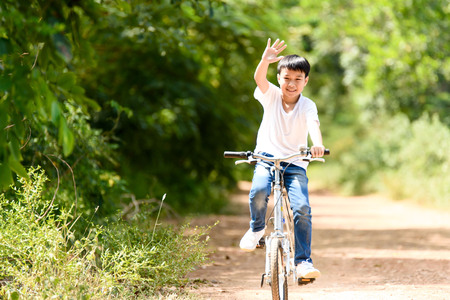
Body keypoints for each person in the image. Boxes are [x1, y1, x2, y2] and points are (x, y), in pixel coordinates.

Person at [239, 38, 325, 279]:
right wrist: (265, 61)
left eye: (298, 79)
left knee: (302, 208)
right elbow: (259, 79)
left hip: (295, 162)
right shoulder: (271, 96)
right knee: (258, 191)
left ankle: (303, 262)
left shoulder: (308, 105)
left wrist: (317, 144)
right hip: (266, 158)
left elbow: (313, 125)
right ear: (279, 79)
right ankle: (256, 229)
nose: (291, 84)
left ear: (306, 81)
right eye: (287, 78)